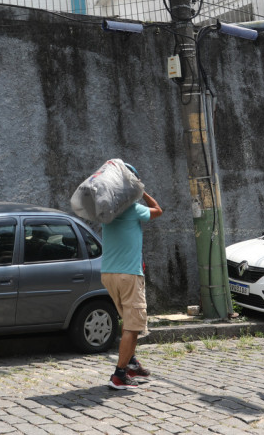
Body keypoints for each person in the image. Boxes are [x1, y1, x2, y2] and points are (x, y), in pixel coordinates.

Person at [100, 163, 163, 390]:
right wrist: (141, 191)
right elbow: (158, 210)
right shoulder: (132, 208)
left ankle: (131, 362)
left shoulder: (106, 208)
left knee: (129, 321)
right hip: (128, 275)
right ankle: (119, 375)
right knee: (133, 326)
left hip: (108, 274)